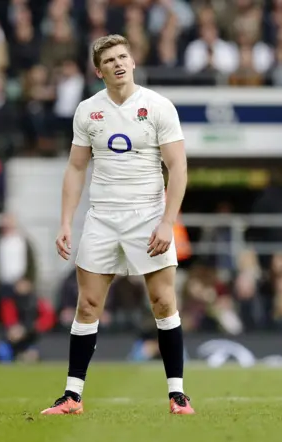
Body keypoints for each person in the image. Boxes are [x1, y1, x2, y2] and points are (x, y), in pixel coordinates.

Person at [41, 35, 194, 416]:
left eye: (123, 56)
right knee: (88, 304)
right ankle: (72, 396)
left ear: (133, 62)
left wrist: (167, 222)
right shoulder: (87, 111)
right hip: (103, 217)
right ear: (99, 70)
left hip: (147, 216)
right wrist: (65, 222)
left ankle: (177, 395)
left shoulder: (158, 106)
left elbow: (178, 167)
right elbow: (77, 167)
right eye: (110, 60)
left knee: (163, 302)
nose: (118, 63)